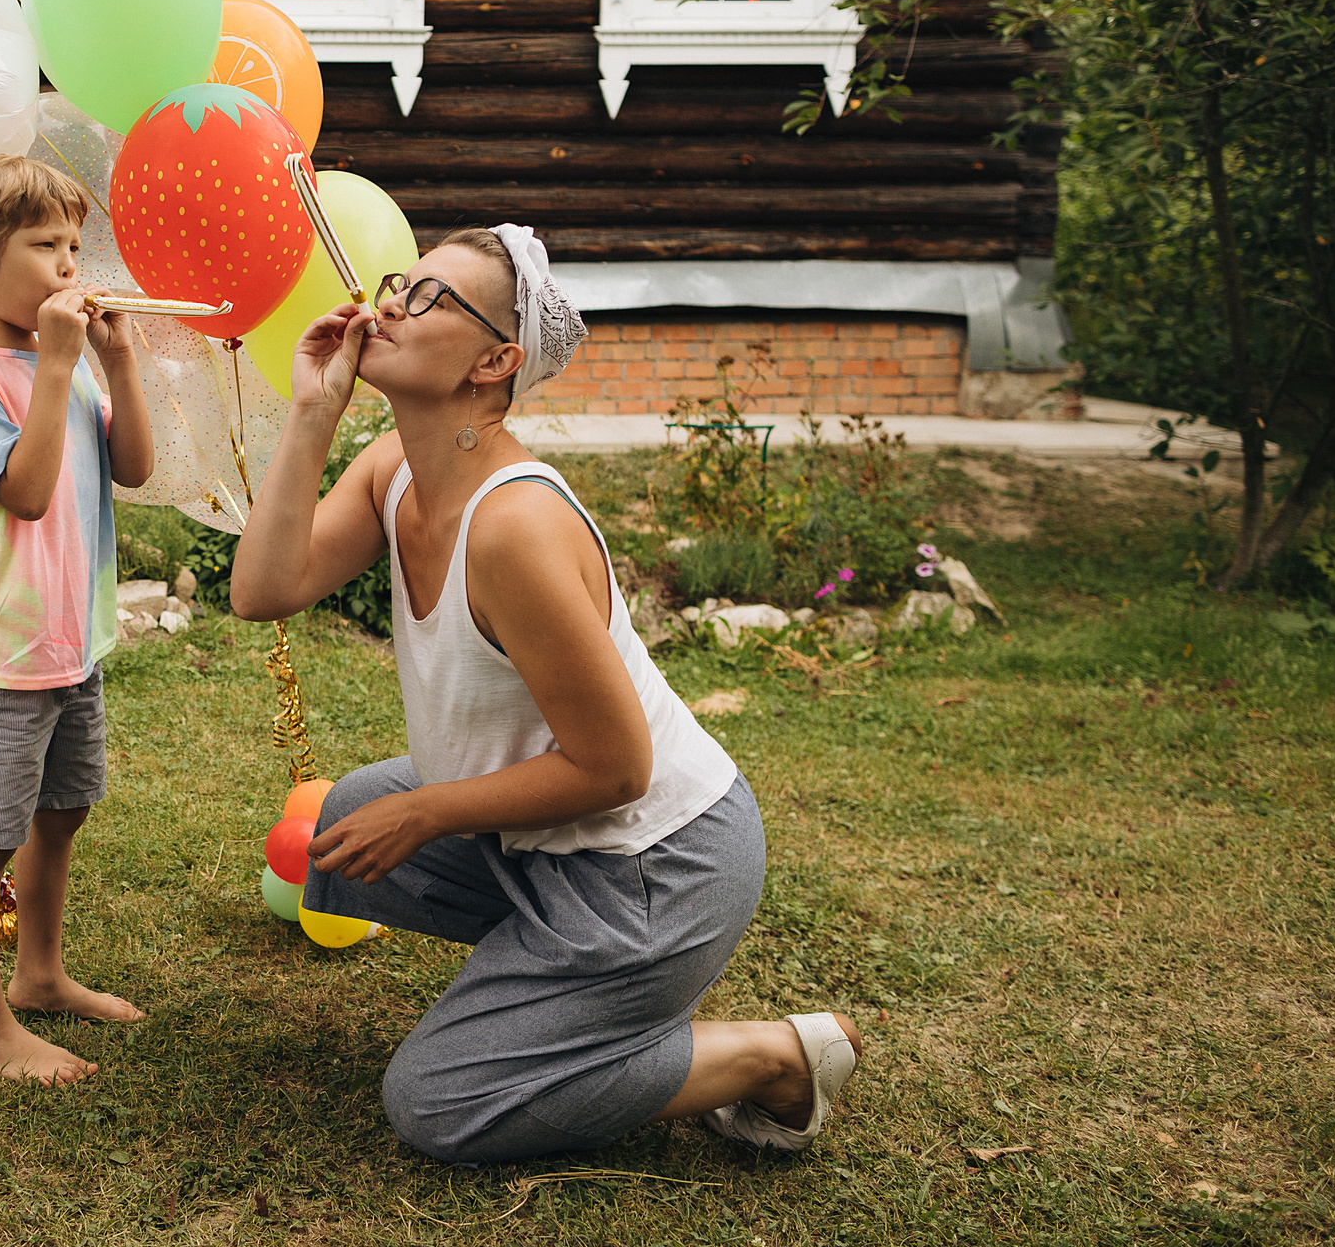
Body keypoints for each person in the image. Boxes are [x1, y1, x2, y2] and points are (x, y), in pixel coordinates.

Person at [230, 225, 862, 1162]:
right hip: (549, 847)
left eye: (435, 296)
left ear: (497, 361)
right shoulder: (393, 471)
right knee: (348, 827)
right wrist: (310, 413)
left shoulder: (515, 525)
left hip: (655, 866)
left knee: (435, 1103)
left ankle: (770, 1058)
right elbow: (263, 591)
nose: (395, 301)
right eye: (405, 281)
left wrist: (432, 811)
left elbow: (616, 766)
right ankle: (571, 986)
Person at [0, 155, 156, 1085]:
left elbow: (130, 466)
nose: (69, 264)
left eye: (74, 244)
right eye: (45, 245)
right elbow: (25, 489)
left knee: (64, 812)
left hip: (72, 643)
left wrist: (116, 361)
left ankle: (42, 972)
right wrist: (56, 364)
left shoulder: (72, 368)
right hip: (3, 655)